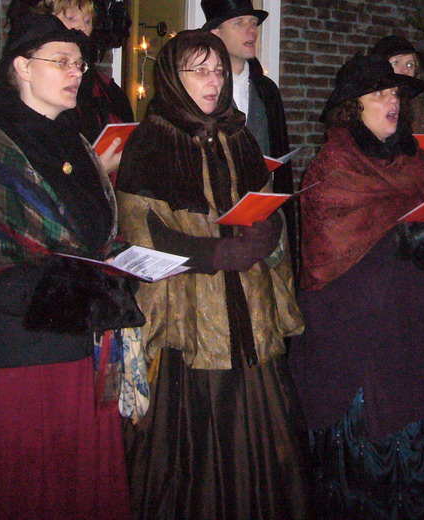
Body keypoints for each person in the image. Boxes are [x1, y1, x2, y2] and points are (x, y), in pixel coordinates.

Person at [0, 12, 144, 520]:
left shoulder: (74, 140)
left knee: (86, 489)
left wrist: (122, 261)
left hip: (82, 345)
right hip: (18, 354)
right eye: (61, 62)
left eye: (80, 63)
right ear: (22, 67)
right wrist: (89, 285)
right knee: (25, 492)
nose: (76, 73)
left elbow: (92, 234)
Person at [116, 29, 309, 520]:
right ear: (172, 78)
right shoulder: (150, 142)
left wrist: (265, 237)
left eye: (218, 70)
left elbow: (270, 210)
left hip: (250, 311)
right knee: (189, 447)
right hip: (191, 323)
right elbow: (142, 232)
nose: (212, 81)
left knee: (265, 435)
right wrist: (214, 254)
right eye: (198, 70)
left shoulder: (241, 137)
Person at [288, 54, 424, 520]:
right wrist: (402, 235)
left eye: (396, 94)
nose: (392, 101)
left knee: (421, 470)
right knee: (367, 478)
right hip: (359, 347)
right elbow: (327, 252)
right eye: (380, 94)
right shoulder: (332, 167)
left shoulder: (417, 160)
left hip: (418, 338)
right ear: (354, 106)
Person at [202, 0, 298, 265]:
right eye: (240, 23)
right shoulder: (199, 90)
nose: (252, 30)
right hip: (213, 225)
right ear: (216, 32)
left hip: (263, 223)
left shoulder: (266, 91)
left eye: (254, 23)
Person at [7, 0, 133, 173]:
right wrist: (94, 172)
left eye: (88, 20)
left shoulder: (106, 89)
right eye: (71, 18)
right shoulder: (32, 85)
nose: (82, 27)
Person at [370, 33, 424, 133]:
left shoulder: (423, 111)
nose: (405, 70)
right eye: (395, 62)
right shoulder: (367, 104)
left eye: (410, 64)